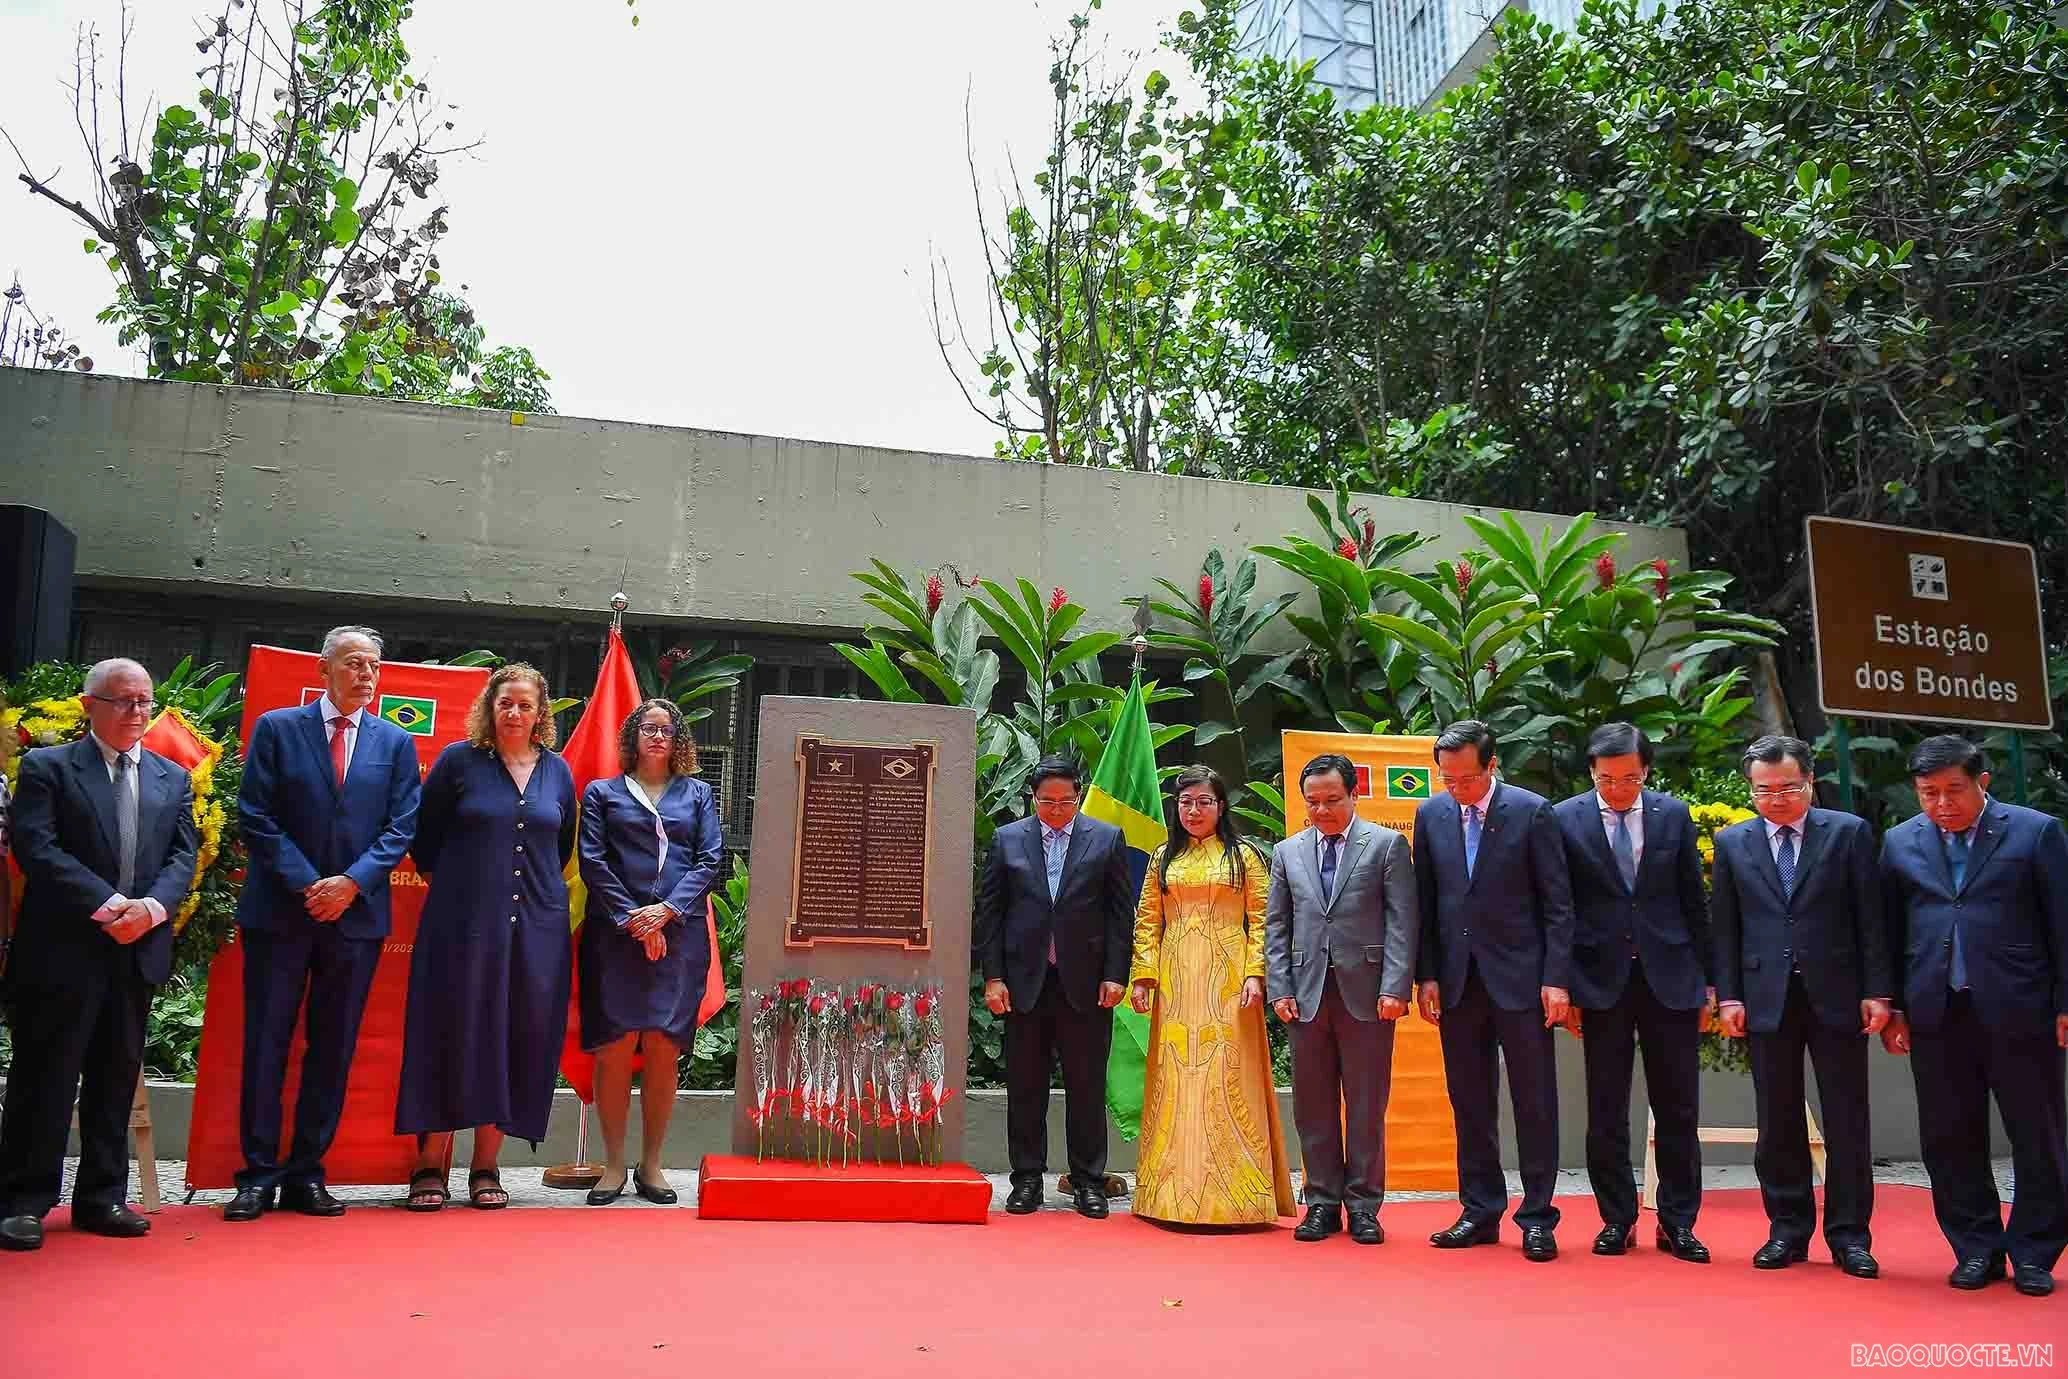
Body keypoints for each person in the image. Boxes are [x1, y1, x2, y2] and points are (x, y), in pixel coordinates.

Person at [0, 659, 196, 1252]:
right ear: (89, 707)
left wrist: (152, 910)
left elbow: (182, 857)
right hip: (64, 948)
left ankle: (103, 1197)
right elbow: (38, 847)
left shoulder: (171, 776)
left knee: (115, 1074)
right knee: (46, 1076)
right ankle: (23, 1200)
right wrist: (111, 905)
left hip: (137, 948)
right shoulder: (47, 767)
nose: (138, 713)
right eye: (123, 702)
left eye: (145, 702)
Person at [227, 626, 420, 1222]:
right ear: (324, 669)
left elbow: (401, 825)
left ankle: (307, 1172)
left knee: (332, 1047)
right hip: (282, 912)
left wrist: (351, 883)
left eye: (373, 664)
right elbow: (253, 814)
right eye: (354, 663)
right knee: (266, 1043)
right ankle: (257, 1175)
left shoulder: (394, 742)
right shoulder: (278, 729)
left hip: (354, 917)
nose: (365, 674)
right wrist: (307, 882)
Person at [1879, 735, 2068, 1298]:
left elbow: (2063, 925)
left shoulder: (2035, 833)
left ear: (1982, 783)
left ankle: (2035, 1252)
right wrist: (1893, 1007)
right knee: (1949, 1137)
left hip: (2021, 1008)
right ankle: (1976, 1248)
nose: (1941, 804)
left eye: (1953, 790)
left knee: (2038, 1135)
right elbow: (1889, 934)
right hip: (1936, 1011)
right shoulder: (1898, 843)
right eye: (1928, 793)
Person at [396, 663, 577, 1209]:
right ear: (489, 708)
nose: (515, 713)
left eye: (525, 704)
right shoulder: (458, 762)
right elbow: (423, 842)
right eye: (505, 704)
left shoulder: (558, 772)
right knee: (450, 1029)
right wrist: (466, 890)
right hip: (461, 925)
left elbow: (561, 847)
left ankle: (486, 1166)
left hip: (536, 932)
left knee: (514, 1033)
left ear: (540, 712)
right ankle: (430, 1165)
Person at [1711, 734, 1889, 1278]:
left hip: (1837, 994)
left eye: (1788, 787)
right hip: (1766, 998)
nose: (1777, 799)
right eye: (1764, 791)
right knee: (1778, 1120)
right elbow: (1726, 927)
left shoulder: (1848, 834)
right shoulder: (1734, 842)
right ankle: (1787, 1230)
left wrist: (1876, 991)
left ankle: (1850, 1236)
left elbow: (1871, 920)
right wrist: (1730, 996)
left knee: (1846, 1119)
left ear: (1810, 782)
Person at [1554, 722, 1715, 1263]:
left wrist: (1709, 982)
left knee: (1678, 1107)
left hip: (1670, 976)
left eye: (1627, 778)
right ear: (1592, 774)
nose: (1617, 789)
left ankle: (1678, 1222)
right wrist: (1567, 984)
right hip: (1600, 981)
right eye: (1605, 779)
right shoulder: (1566, 817)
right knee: (1605, 1108)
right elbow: (1562, 909)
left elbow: (1694, 901)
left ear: (1646, 770)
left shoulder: (1672, 815)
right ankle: (1616, 1218)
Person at [1414, 719, 1573, 1262]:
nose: (1455, 789)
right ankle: (1479, 1209)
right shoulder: (1431, 814)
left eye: (1465, 779)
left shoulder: (1531, 811)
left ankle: (1537, 1217)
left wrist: (1556, 978)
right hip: (1458, 981)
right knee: (1470, 1101)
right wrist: (1427, 974)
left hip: (1523, 981)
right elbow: (1427, 902)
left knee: (1534, 1101)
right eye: (1446, 779)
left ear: (1491, 767)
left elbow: (1557, 904)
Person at [1128, 765, 1297, 1227]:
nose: (1195, 811)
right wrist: (1143, 977)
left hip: (1229, 980)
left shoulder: (1245, 857)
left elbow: (1264, 920)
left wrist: (1256, 975)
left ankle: (1237, 1195)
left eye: (1204, 801)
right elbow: (1147, 920)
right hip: (1177, 980)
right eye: (1186, 803)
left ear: (1221, 806)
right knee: (1176, 1077)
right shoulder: (1163, 857)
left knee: (1229, 1074)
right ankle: (1166, 1195)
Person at [574, 698, 723, 1207]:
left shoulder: (698, 794)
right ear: (632, 737)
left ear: (679, 740)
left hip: (678, 936)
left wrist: (664, 913)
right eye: (648, 728)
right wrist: (633, 918)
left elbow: (709, 860)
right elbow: (592, 861)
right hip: (615, 934)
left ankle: (652, 1164)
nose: (657, 736)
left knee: (663, 1045)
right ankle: (613, 1164)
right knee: (614, 1046)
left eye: (666, 729)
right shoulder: (602, 793)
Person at [1263, 754, 1418, 1244]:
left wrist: (1396, 987)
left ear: (1354, 795)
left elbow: (1402, 923)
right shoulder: (1287, 852)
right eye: (1313, 802)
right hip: (1306, 995)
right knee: (1312, 1106)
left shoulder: (1387, 845)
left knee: (1367, 1104)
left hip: (1369, 995)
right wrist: (1280, 986)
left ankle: (1365, 1206)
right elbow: (1276, 926)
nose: (1322, 810)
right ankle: (1322, 1203)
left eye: (1332, 800)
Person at [975, 755, 1132, 1218]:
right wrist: (994, 977)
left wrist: (1115, 973)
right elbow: (990, 914)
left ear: (1079, 795)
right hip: (1024, 983)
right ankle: (1026, 1180)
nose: (1058, 810)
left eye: (1067, 801)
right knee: (1026, 1087)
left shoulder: (1105, 839)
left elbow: (1120, 913)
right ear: (1033, 797)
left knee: (1085, 1087)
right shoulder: (1008, 840)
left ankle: (1087, 1182)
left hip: (1085, 982)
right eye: (1048, 801)